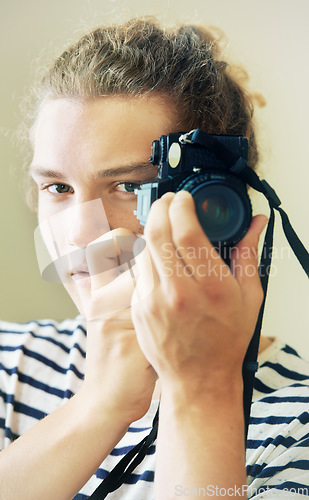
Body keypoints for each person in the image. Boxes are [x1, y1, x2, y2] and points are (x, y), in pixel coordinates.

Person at [0, 17, 308, 500]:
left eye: (128, 186)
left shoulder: (298, 424)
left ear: (217, 204)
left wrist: (203, 389)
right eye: (57, 188)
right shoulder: (9, 363)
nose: (79, 233)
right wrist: (98, 406)